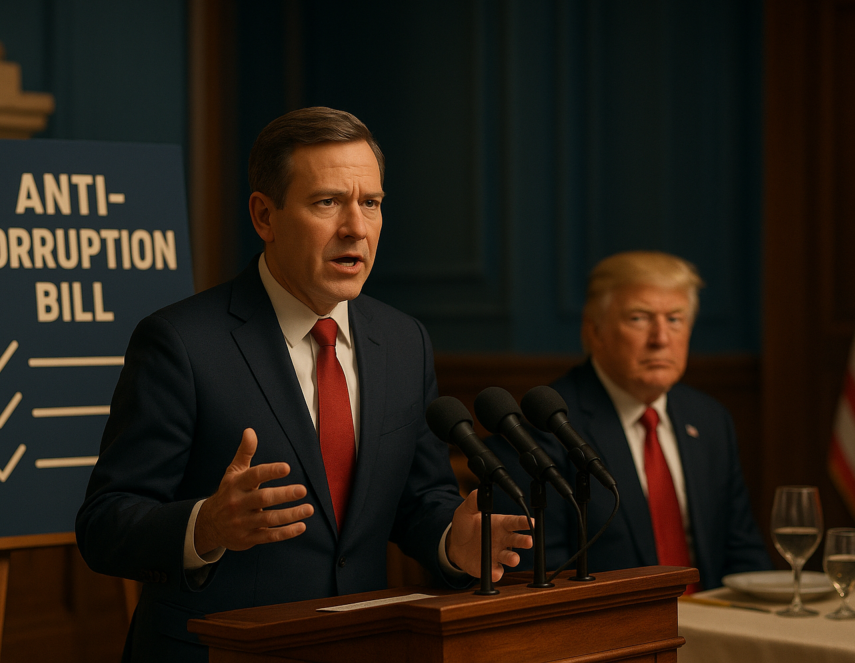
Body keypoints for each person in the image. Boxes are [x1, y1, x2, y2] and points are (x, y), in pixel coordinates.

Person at [76, 107, 531, 662]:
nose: (356, 228)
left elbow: (419, 499)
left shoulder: (403, 340)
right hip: (220, 652)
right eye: (327, 202)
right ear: (265, 216)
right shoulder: (181, 342)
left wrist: (452, 542)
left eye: (371, 203)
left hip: (361, 648)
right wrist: (205, 525)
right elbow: (104, 525)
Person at [490, 251, 770, 590]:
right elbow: (541, 575)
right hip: (608, 620)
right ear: (595, 331)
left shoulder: (710, 419)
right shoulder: (544, 428)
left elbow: (744, 553)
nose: (660, 339)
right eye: (639, 318)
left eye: (675, 319)